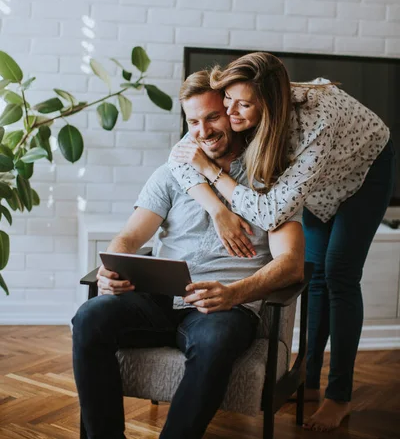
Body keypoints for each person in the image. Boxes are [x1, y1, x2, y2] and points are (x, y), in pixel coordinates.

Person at [169, 52, 396, 433]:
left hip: (363, 172)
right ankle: (306, 379)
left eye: (243, 104)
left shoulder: (315, 124)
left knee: (339, 273)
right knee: (315, 274)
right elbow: (181, 156)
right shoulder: (239, 107)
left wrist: (212, 173)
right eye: (228, 100)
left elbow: (272, 213)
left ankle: (339, 396)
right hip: (315, 183)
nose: (231, 111)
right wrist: (218, 210)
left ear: (270, 102)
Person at [72, 70, 304, 439]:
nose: (203, 131)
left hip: (226, 306)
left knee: (214, 341)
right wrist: (111, 267)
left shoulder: (271, 180)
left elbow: (291, 265)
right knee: (89, 316)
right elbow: (130, 236)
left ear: (234, 113)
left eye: (212, 117)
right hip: (160, 299)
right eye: (193, 121)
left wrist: (235, 294)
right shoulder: (172, 172)